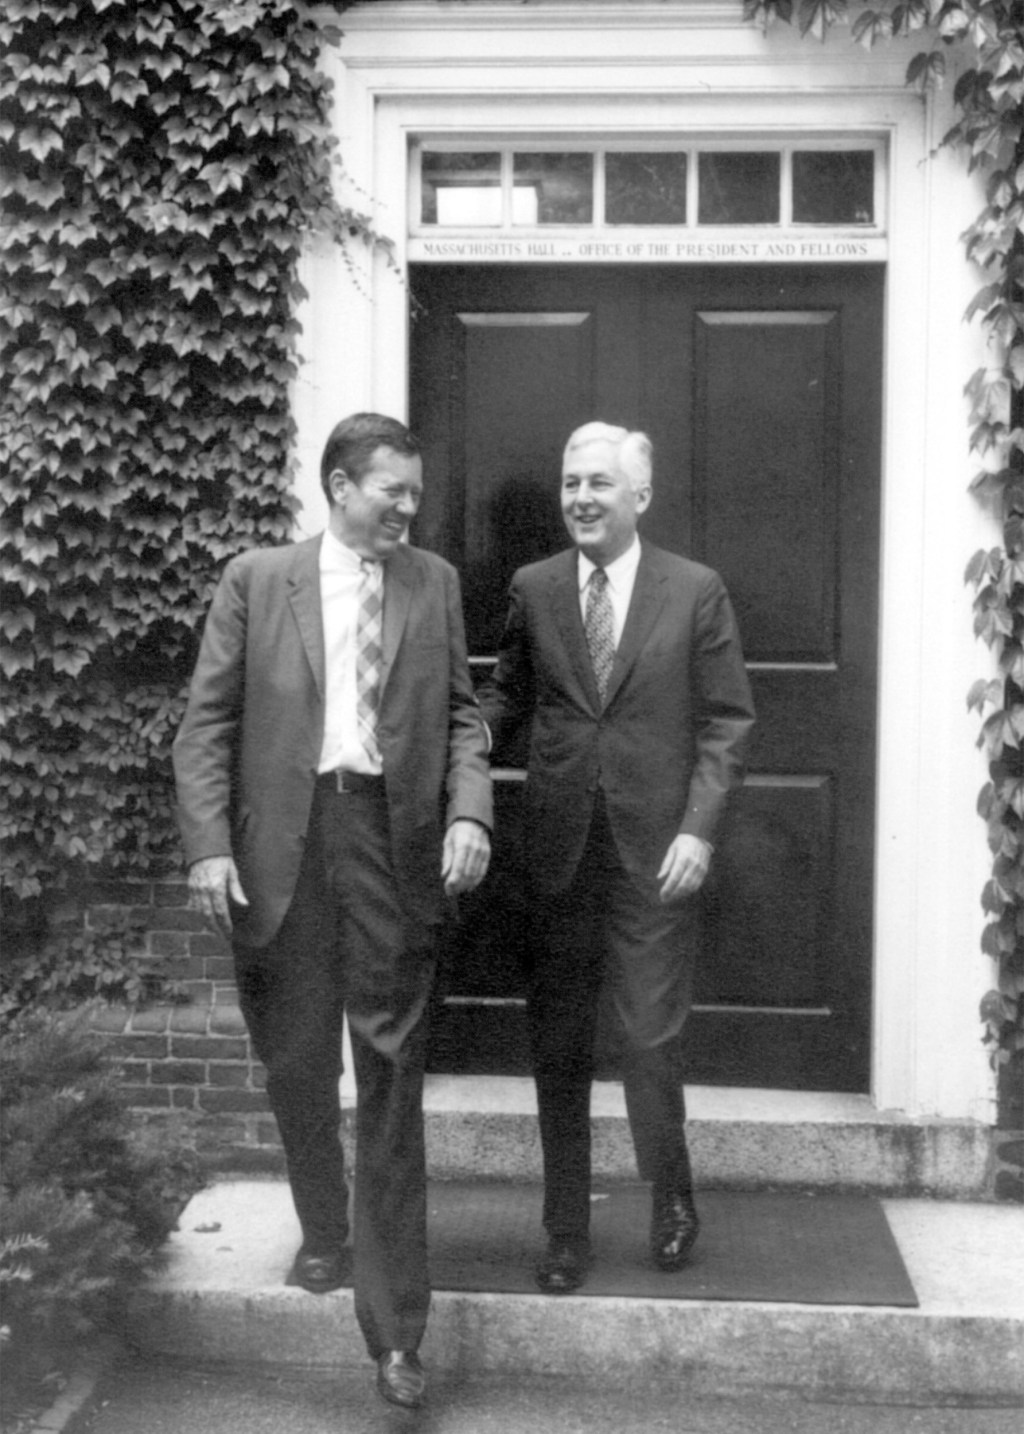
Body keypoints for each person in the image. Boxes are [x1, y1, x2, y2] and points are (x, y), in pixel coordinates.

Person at [172, 412, 492, 1408]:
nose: (410, 506)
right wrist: (211, 846)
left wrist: (469, 811)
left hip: (387, 847)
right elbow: (206, 725)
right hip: (281, 852)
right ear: (339, 485)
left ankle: (397, 1332)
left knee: (391, 1076)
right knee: (296, 1059)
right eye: (392, 488)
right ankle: (324, 1224)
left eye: (414, 490)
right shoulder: (257, 580)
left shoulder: (432, 584)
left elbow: (461, 718)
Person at [481, 421, 753, 1294]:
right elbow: (508, 695)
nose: (582, 500)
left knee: (647, 1039)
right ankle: (566, 1229)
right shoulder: (534, 586)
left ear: (640, 495)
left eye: (600, 484)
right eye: (571, 484)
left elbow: (726, 722)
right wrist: (459, 735)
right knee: (558, 1044)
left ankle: (671, 1197)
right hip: (557, 850)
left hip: (656, 853)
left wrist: (698, 829)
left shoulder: (694, 590)